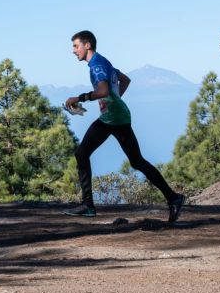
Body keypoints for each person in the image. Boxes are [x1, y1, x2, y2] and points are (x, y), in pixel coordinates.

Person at [64, 30, 185, 222]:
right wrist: (115, 100)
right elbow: (125, 80)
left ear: (87, 45)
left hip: (112, 119)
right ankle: (174, 198)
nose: (73, 50)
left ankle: (88, 206)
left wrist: (79, 98)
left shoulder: (96, 65)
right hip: (116, 116)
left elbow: (103, 90)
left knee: (82, 153)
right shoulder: (103, 61)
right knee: (136, 161)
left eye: (75, 46)